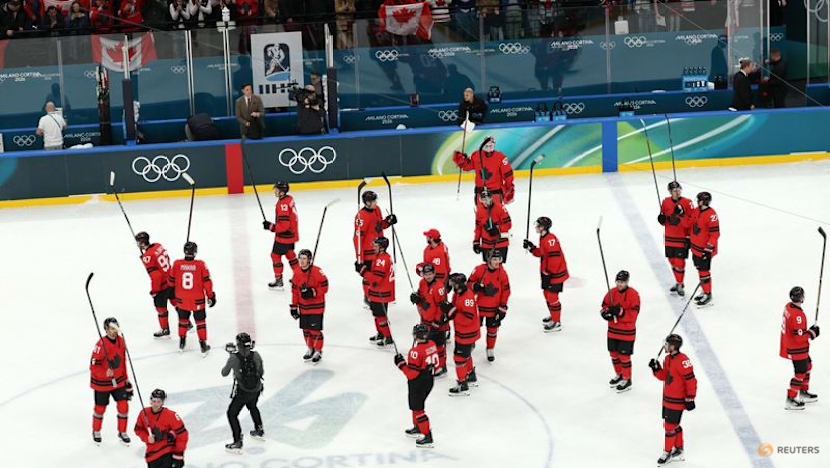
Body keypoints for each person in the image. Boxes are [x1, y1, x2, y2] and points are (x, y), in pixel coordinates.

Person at [649, 334, 697, 466]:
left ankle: (667, 452)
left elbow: (691, 380)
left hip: (677, 401)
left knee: (669, 427)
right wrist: (656, 369)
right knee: (672, 425)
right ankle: (679, 450)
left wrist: (690, 397)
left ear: (673, 346)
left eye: (666, 344)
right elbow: (665, 376)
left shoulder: (683, 360)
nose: (664, 346)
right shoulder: (667, 358)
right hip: (667, 399)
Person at [90, 317, 132, 446]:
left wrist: (126, 379)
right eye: (112, 329)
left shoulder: (121, 341)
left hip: (119, 381)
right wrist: (105, 373)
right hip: (102, 383)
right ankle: (96, 431)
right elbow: (93, 365)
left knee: (124, 406)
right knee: (100, 408)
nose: (115, 331)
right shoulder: (100, 345)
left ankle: (122, 432)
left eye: (116, 328)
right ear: (106, 330)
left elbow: (123, 361)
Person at [394, 324, 438, 448]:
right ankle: (418, 427)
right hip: (429, 379)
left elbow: (411, 374)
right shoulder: (432, 344)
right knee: (415, 406)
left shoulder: (415, 351)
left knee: (418, 410)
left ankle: (427, 436)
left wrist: (401, 364)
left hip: (419, 382)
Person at [169, 242, 216, 355]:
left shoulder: (176, 264)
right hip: (197, 300)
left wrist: (172, 294)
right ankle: (203, 345)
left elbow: (171, 281)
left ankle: (182, 342)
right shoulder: (200, 264)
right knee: (200, 322)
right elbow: (207, 282)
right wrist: (211, 296)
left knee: (182, 321)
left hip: (181, 299)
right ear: (195, 252)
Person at [524, 216, 569, 333]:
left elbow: (555, 259)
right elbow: (542, 253)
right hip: (547, 273)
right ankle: (553, 316)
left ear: (543, 227)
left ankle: (557, 322)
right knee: (546, 294)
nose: (536, 227)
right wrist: (532, 248)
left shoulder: (550, 239)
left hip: (555, 274)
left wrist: (549, 272)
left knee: (553, 297)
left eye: (538, 225)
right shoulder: (543, 237)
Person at [222, 332, 265, 453]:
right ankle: (259, 428)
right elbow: (261, 372)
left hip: (243, 391)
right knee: (252, 406)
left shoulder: (234, 358)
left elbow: (224, 373)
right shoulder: (256, 355)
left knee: (232, 414)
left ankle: (237, 441)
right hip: (256, 389)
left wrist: (231, 357)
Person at [353, 190, 397, 306]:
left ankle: (379, 295)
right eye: (373, 201)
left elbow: (378, 226)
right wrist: (360, 258)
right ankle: (368, 297)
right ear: (366, 203)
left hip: (380, 250)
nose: (375, 203)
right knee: (368, 276)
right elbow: (357, 239)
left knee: (380, 275)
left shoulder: (377, 210)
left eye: (375, 200)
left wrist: (388, 222)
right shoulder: (361, 216)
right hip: (369, 252)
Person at [780, 286, 820, 410]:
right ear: (802, 298)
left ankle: (803, 392)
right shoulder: (797, 316)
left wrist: (807, 332)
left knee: (808, 365)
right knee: (800, 373)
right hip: (797, 348)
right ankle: (790, 399)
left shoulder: (788, 307)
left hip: (794, 346)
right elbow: (799, 337)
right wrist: (812, 333)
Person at [600, 270, 641, 393]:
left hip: (627, 333)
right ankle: (619, 374)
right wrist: (606, 313)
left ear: (627, 282)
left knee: (624, 356)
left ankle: (627, 379)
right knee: (613, 354)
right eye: (618, 281)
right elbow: (603, 306)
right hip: (612, 331)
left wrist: (620, 312)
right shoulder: (611, 293)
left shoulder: (634, 295)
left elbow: (633, 315)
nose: (619, 284)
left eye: (622, 282)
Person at [468, 250, 509, 362]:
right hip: (479, 307)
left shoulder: (502, 273)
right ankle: (471, 343)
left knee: (492, 329)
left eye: (499, 259)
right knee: (474, 327)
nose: (497, 262)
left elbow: (506, 291)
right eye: (494, 259)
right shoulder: (479, 269)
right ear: (489, 259)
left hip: (494, 308)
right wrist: (475, 286)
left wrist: (503, 307)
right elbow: (468, 284)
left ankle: (490, 348)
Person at [443, 272, 480, 396]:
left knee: (459, 358)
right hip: (463, 332)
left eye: (453, 283)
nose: (451, 285)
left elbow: (467, 318)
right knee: (466, 355)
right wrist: (448, 311)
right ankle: (471, 376)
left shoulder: (467, 297)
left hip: (467, 333)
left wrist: (451, 312)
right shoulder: (458, 293)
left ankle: (462, 384)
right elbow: (454, 309)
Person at [135, 232, 179, 338]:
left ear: (141, 243)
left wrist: (155, 291)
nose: (137, 244)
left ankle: (165, 329)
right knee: (176, 302)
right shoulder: (158, 245)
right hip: (171, 280)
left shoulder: (147, 256)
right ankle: (186, 323)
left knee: (161, 309)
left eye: (138, 242)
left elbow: (156, 276)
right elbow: (166, 259)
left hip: (162, 286)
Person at [290, 249, 329, 363]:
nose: (301, 261)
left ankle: (318, 350)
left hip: (316, 307)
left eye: (304, 259)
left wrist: (313, 292)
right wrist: (293, 306)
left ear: (309, 260)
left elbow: (325, 287)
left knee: (315, 330)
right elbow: (295, 291)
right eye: (300, 258)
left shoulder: (317, 271)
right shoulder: (297, 273)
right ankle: (310, 348)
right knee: (306, 330)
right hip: (303, 307)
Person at [410, 263, 449, 377]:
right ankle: (430, 365)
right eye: (426, 274)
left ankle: (441, 367)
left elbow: (441, 307)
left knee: (439, 345)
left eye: (430, 274)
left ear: (434, 274)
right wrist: (416, 298)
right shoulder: (422, 283)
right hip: (426, 320)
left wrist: (437, 322)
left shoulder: (439, 287)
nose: (428, 276)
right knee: (428, 345)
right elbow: (421, 296)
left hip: (438, 322)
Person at [134, 389, 188, 468]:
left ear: (163, 402)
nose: (155, 404)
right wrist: (147, 438)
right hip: (152, 455)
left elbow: (182, 434)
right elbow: (138, 429)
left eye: (159, 401)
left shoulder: (171, 415)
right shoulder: (144, 413)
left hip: (168, 453)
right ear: (150, 400)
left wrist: (179, 454)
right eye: (154, 400)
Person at [358, 236, 396, 349]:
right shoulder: (380, 256)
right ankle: (381, 334)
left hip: (381, 292)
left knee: (381, 316)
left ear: (382, 248)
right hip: (378, 292)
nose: (373, 247)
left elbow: (376, 280)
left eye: (376, 245)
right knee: (376, 314)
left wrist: (363, 272)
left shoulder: (382, 259)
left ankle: (388, 337)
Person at [453, 136, 515, 203]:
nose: (488, 147)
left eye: (490, 145)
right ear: (483, 145)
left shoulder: (501, 157)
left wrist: (509, 189)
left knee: (496, 212)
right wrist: (461, 160)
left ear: (494, 145)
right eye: (486, 145)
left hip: (496, 192)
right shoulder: (476, 155)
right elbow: (468, 166)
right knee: (481, 213)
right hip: (480, 192)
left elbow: (508, 174)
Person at [657, 181, 694, 296]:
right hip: (669, 237)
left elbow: (692, 221)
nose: (677, 192)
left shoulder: (688, 202)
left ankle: (679, 283)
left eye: (679, 190)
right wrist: (661, 219)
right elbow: (664, 219)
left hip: (682, 237)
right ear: (670, 191)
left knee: (679, 262)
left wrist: (689, 237)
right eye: (674, 191)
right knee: (672, 261)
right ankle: (678, 281)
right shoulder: (665, 201)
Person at [262, 180, 299, 289]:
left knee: (275, 255)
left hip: (284, 236)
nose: (275, 191)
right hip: (292, 235)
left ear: (282, 192)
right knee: (290, 254)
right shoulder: (289, 199)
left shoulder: (282, 204)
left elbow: (284, 226)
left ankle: (279, 280)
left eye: (277, 190)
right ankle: (298, 276)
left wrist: (270, 226)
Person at [684, 192, 719, 307]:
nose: (697, 201)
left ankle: (708, 293)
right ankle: (704, 290)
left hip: (704, 250)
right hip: (695, 248)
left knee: (704, 272)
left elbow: (715, 234)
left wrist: (708, 250)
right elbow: (689, 223)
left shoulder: (711, 215)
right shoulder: (696, 210)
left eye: (698, 200)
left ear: (703, 201)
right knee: (699, 269)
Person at [473, 189, 512, 262]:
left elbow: (508, 224)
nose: (485, 202)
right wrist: (476, 242)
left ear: (491, 198)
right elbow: (478, 228)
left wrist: (498, 229)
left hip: (500, 243)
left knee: (498, 268)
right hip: (486, 245)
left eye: (487, 199)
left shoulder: (500, 208)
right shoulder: (479, 211)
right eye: (483, 199)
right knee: (488, 269)